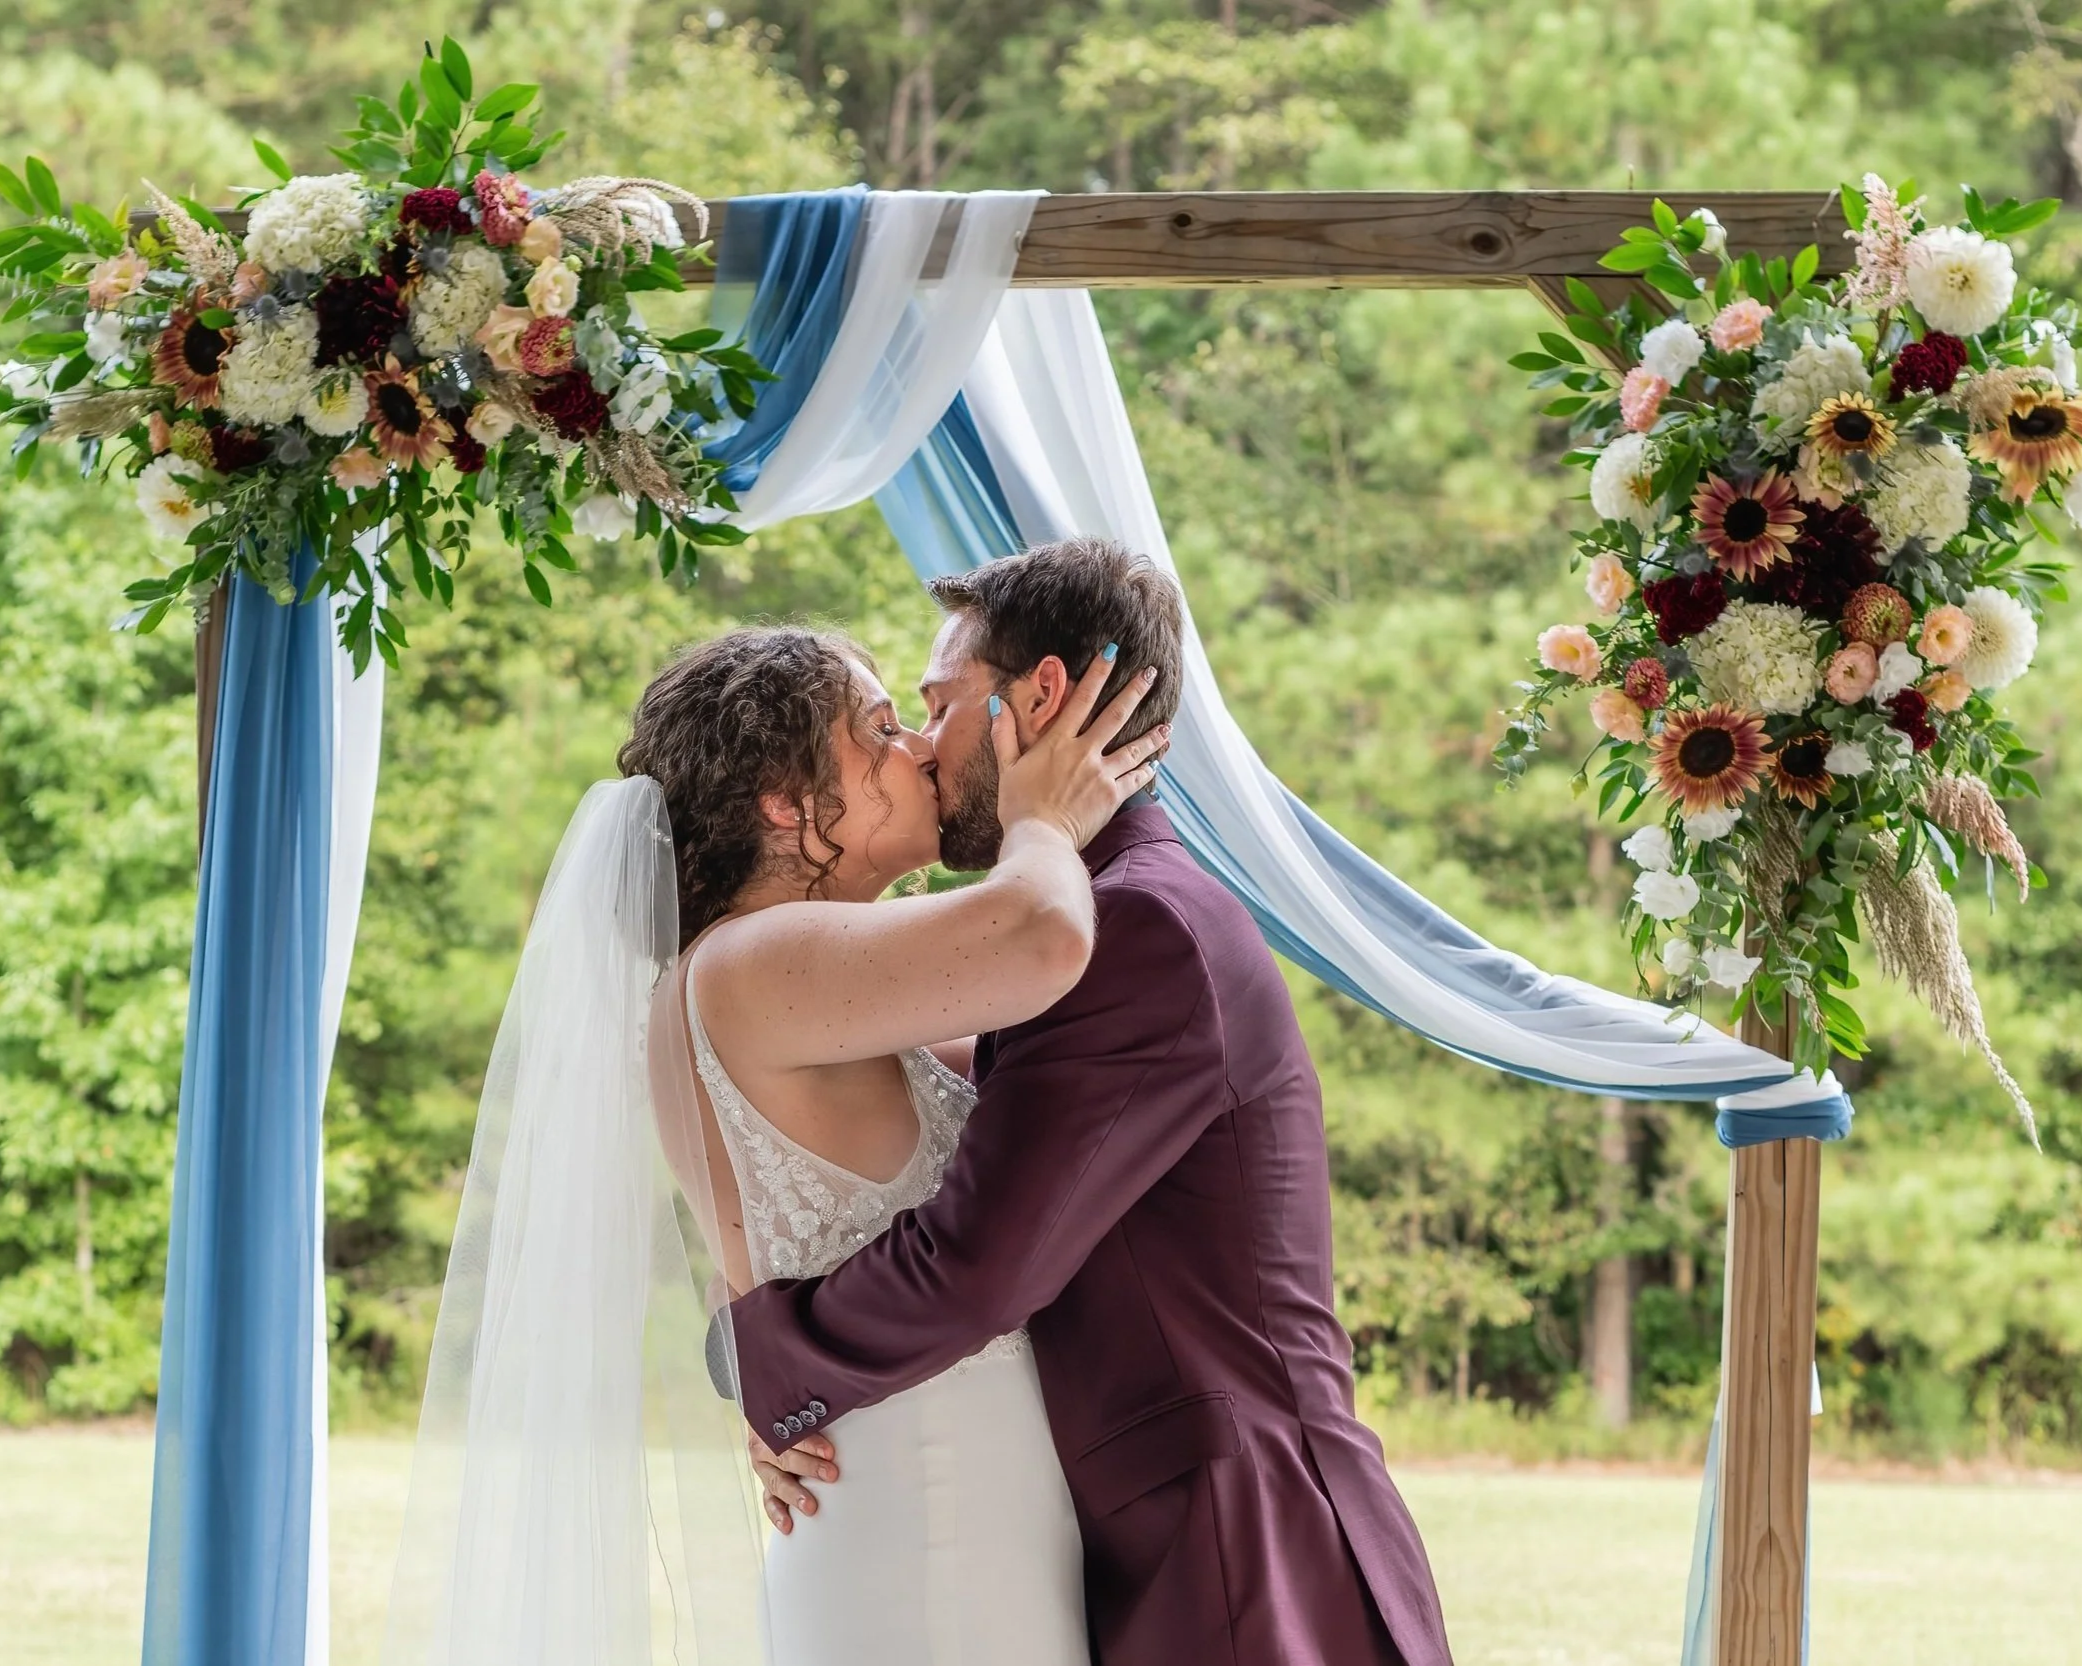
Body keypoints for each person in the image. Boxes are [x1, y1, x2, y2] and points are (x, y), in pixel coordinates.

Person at [727, 537, 1454, 1666]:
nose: (922, 743)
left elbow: (979, 1265)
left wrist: (759, 1362)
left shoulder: (1133, 930)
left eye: (939, 703)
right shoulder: (1093, 923)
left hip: (1235, 1553)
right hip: (1168, 1534)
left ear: (1044, 698)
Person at [631, 616, 1168, 1666]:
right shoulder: (759, 958)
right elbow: (1044, 937)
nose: (919, 749)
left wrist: (753, 1371)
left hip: (923, 1499)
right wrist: (1045, 822)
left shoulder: (761, 976)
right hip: (931, 1518)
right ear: (785, 799)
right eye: (878, 730)